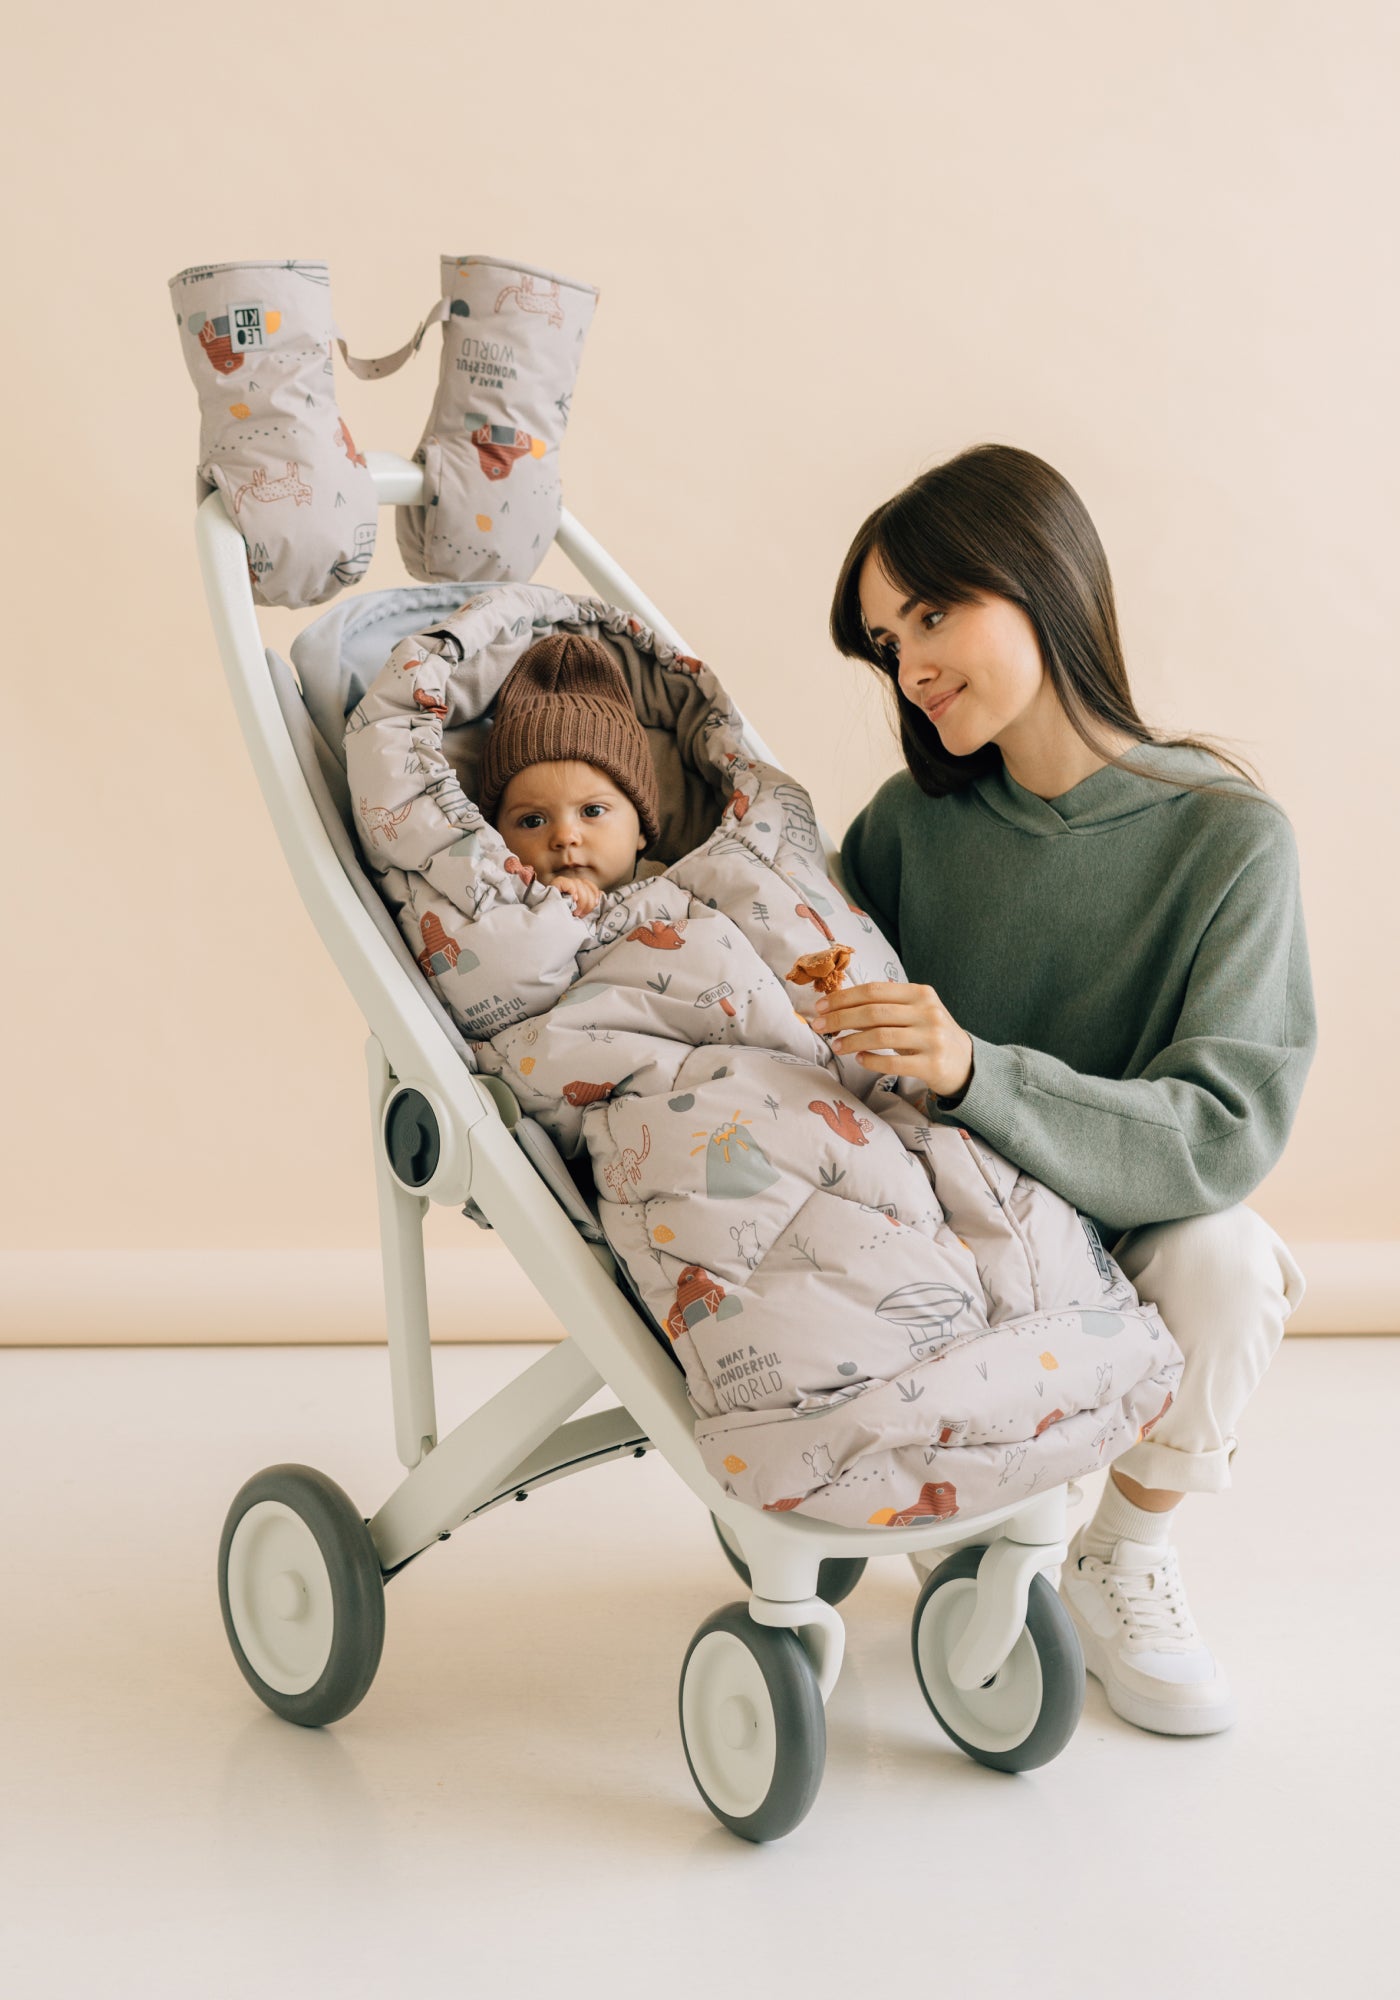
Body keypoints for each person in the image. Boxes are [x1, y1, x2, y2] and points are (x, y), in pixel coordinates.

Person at [825, 443, 1315, 1737]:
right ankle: (956, 1512)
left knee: (1232, 1259)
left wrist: (979, 1072)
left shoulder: (1228, 840)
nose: (909, 666)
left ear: (1041, 580)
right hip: (940, 1253)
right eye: (885, 642)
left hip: (1121, 1238)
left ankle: (1121, 1553)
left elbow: (1222, 1130)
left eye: (932, 614)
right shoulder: (905, 826)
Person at [479, 630, 663, 916]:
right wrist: (550, 910)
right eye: (533, 820)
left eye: (592, 811)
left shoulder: (675, 887)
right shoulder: (493, 898)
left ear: (642, 827)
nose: (565, 837)